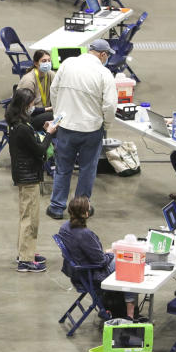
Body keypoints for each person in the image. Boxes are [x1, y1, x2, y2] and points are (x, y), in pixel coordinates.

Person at [46, 38, 116, 220]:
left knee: (63, 168)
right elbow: (110, 106)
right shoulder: (104, 73)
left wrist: (58, 116)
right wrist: (105, 125)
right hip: (91, 130)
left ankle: (56, 207)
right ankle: (80, 208)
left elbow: (54, 90)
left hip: (66, 127)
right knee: (87, 169)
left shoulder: (68, 63)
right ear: (103, 55)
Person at [56, 195, 137, 319]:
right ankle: (130, 315)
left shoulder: (64, 227)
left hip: (78, 270)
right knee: (130, 265)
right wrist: (110, 253)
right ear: (86, 214)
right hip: (92, 272)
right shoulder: (85, 234)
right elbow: (101, 261)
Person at [6, 87, 57, 273]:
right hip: (29, 177)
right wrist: (50, 133)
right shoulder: (22, 128)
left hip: (24, 175)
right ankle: (25, 260)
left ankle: (25, 252)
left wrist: (41, 132)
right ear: (24, 106)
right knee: (30, 218)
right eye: (32, 105)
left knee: (26, 215)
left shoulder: (17, 124)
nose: (34, 108)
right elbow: (40, 151)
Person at [16, 49, 55, 118]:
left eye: (49, 60)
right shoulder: (29, 80)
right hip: (30, 115)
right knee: (56, 117)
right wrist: (50, 108)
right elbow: (27, 110)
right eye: (44, 61)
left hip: (45, 111)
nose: (47, 63)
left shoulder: (50, 74)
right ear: (36, 63)